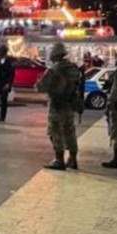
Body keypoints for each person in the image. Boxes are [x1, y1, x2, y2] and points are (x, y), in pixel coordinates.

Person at [37, 42, 82, 171]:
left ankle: (59, 160)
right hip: (70, 103)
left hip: (57, 105)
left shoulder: (54, 69)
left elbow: (41, 87)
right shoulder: (73, 68)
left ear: (54, 54)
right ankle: (73, 159)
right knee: (70, 131)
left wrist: (39, 82)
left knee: (55, 131)